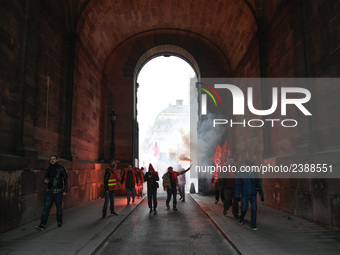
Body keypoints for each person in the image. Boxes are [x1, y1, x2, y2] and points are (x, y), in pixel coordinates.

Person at [35, 155, 68, 230]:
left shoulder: (61, 168)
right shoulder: (49, 169)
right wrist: (45, 181)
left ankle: (59, 222)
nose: (52, 160)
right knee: (46, 208)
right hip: (49, 191)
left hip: (58, 191)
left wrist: (65, 190)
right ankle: (42, 224)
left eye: (53, 159)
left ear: (57, 160)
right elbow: (46, 178)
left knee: (59, 208)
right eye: (51, 159)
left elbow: (66, 179)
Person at [236, 160, 264, 231]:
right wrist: (237, 195)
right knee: (244, 209)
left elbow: (259, 185)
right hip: (244, 195)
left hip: (253, 195)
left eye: (250, 166)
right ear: (244, 165)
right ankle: (241, 218)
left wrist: (261, 195)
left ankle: (253, 224)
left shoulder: (255, 174)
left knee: (254, 209)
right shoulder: (240, 174)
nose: (248, 167)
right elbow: (238, 185)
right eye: (247, 165)